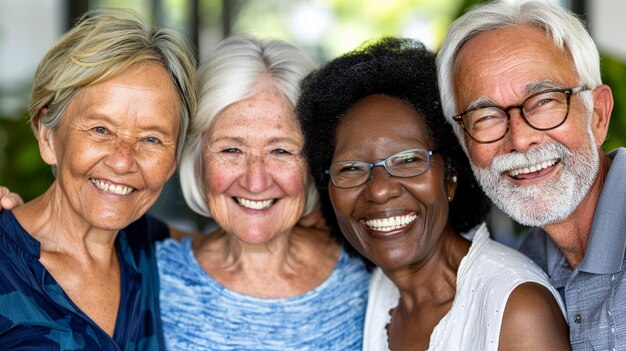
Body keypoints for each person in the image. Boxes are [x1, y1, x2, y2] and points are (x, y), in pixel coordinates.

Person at [297, 37, 570, 350]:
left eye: (409, 160)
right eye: (351, 169)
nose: (380, 190)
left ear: (451, 176)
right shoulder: (381, 294)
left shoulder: (516, 310)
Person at [157, 34, 371, 350]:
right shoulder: (152, 279)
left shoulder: (368, 272)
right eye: (231, 149)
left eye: (281, 151)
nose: (255, 182)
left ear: (312, 161)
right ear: (197, 157)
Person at [0, 9, 196, 350]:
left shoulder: (160, 250)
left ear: (174, 159)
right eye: (100, 130)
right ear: (47, 135)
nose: (122, 161)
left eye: (151, 139)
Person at [436, 0, 626, 348]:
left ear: (598, 115)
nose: (520, 140)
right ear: (465, 146)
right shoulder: (524, 269)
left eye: (543, 101)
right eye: (487, 117)